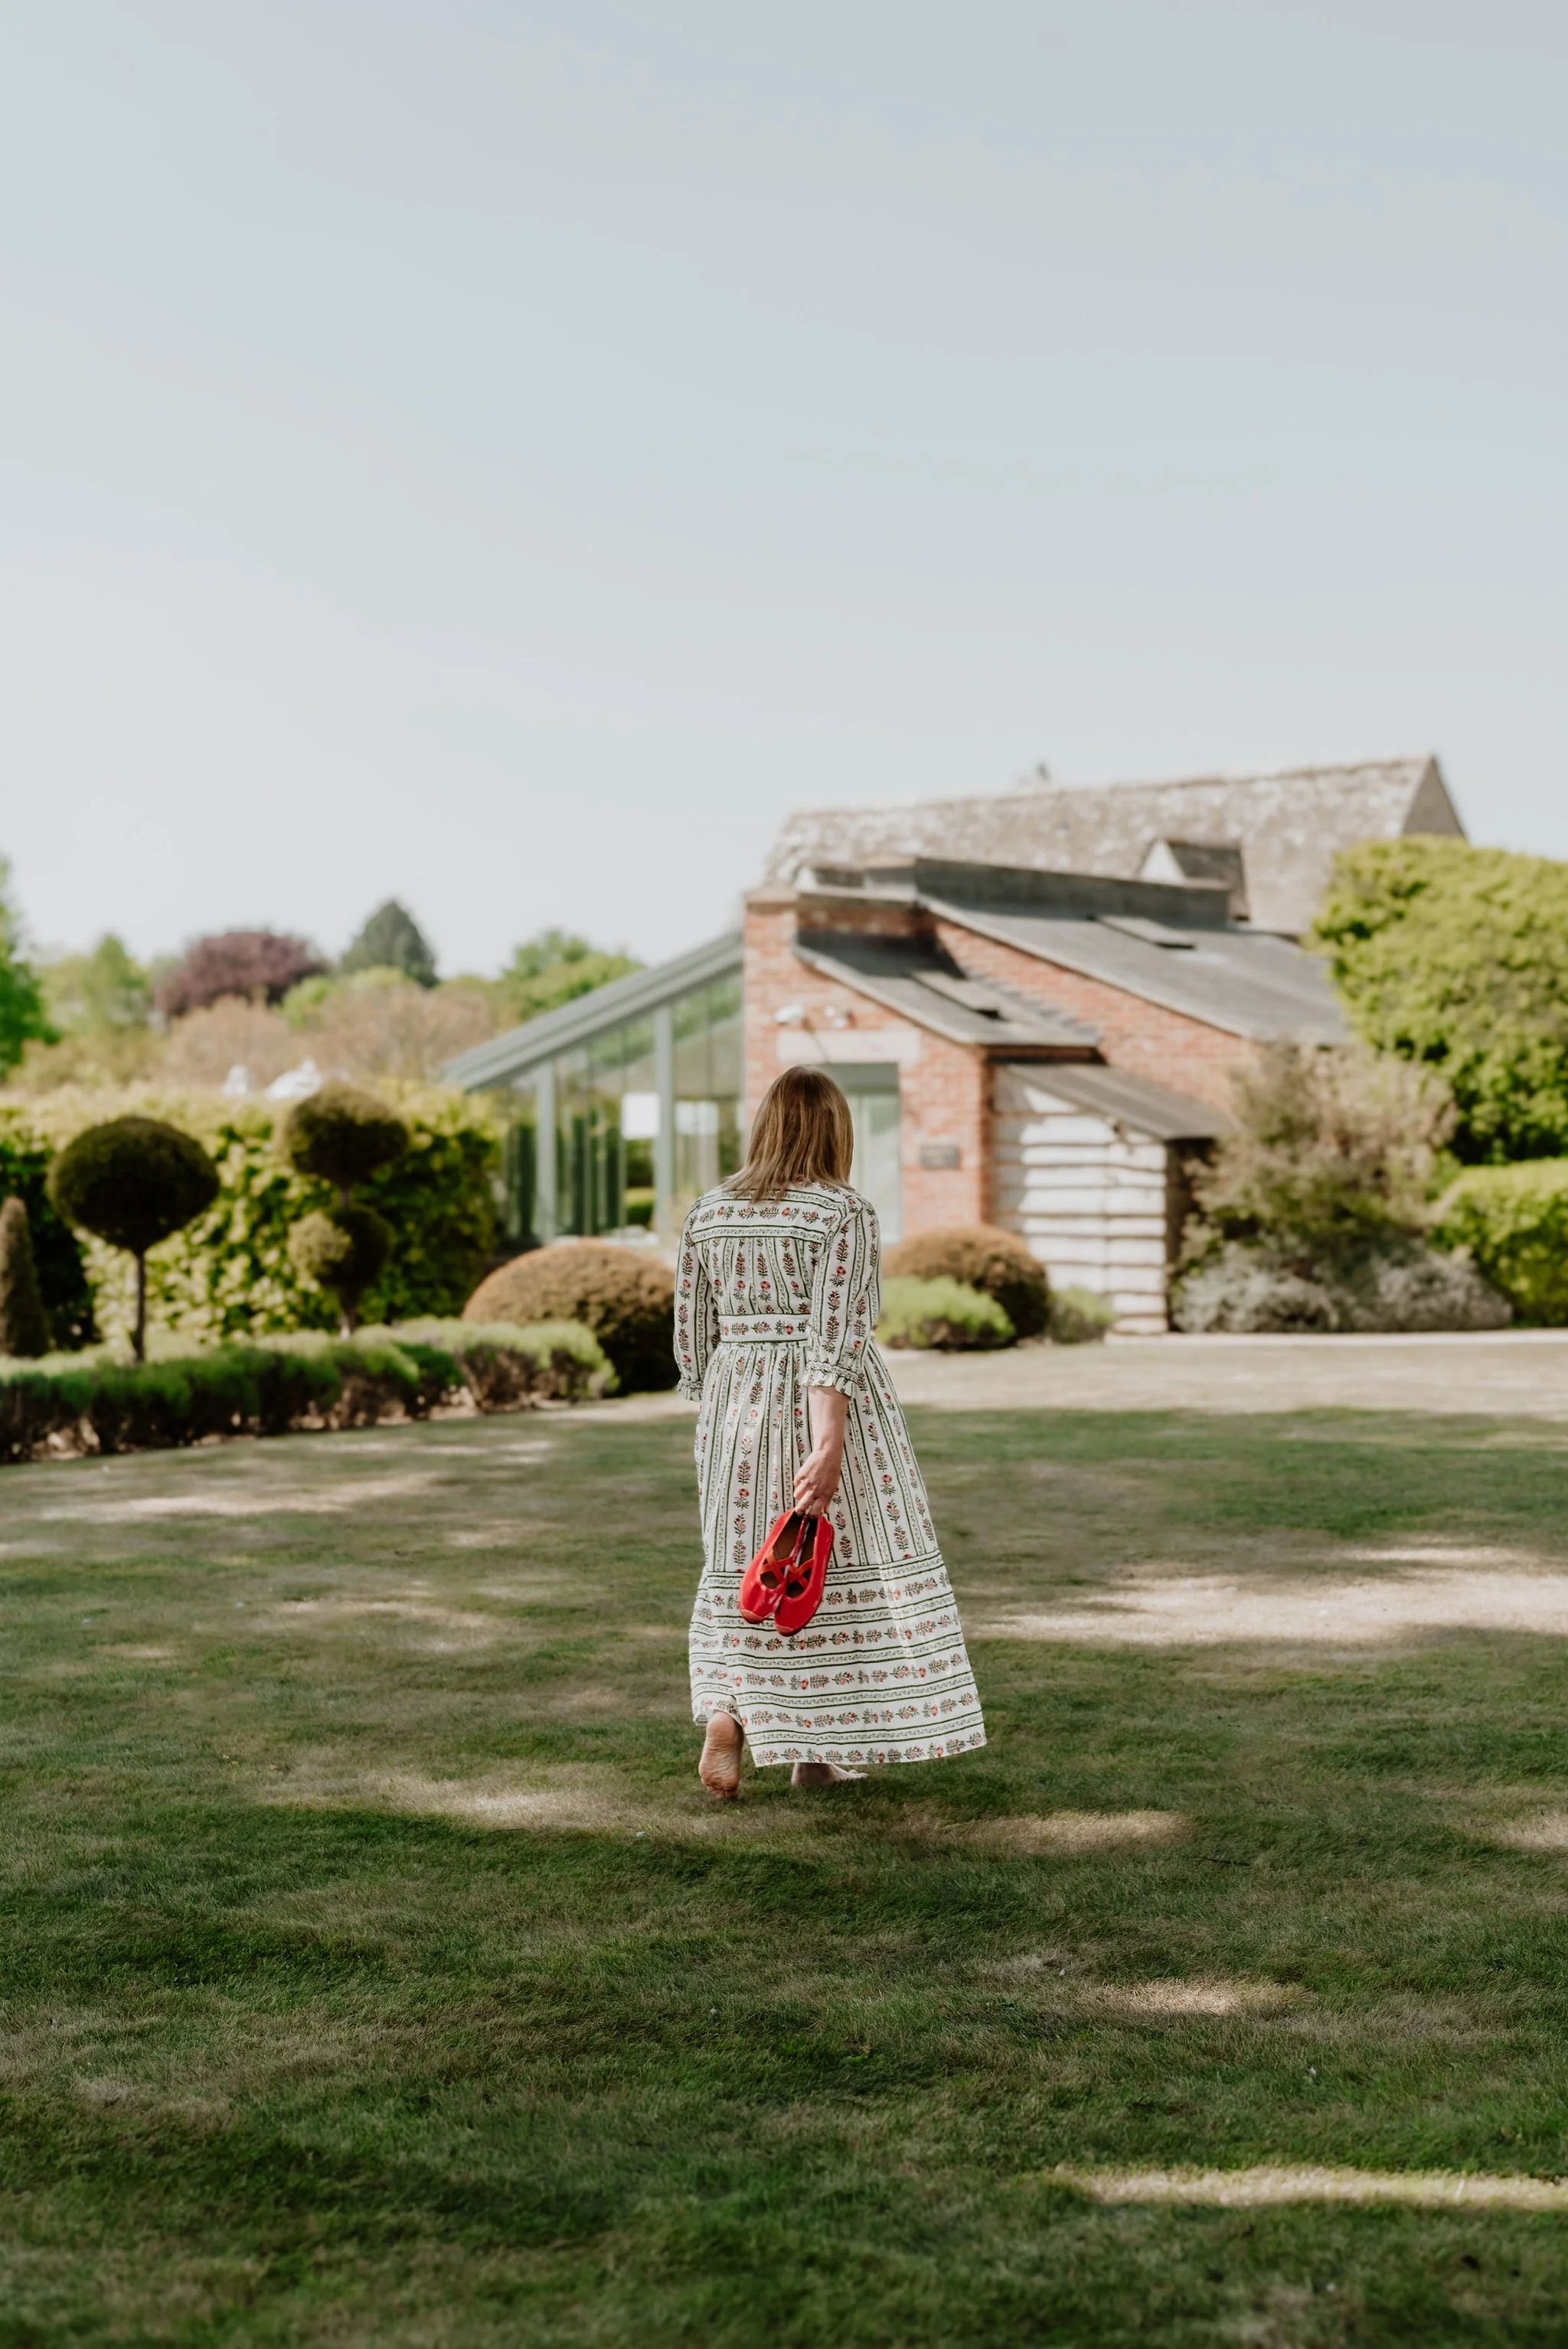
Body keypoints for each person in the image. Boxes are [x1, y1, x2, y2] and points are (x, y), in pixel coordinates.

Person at [675, 1064, 987, 1799]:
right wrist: (828, 1443)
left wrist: (727, 1413)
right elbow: (834, 1340)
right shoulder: (841, 1211)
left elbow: (692, 1343)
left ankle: (737, 1718)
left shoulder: (709, 1211)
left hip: (732, 1412)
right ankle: (809, 1749)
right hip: (820, 1406)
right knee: (826, 1571)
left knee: (754, 1570)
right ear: (836, 1131)